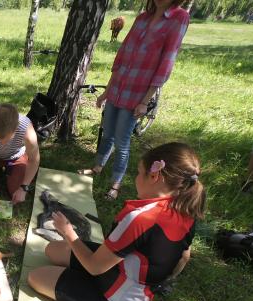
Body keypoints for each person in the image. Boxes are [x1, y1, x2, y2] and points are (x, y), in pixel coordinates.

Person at [29, 143, 205, 301]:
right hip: (118, 272)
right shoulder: (186, 212)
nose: (136, 178)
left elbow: (94, 267)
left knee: (35, 277)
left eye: (139, 172)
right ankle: (77, 278)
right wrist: (156, 282)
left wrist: (68, 231)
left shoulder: (140, 219)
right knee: (52, 249)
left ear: (154, 176)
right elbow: (184, 257)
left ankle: (86, 292)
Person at [78, 0, 189, 201]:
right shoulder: (142, 18)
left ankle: (116, 184)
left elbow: (167, 61)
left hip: (138, 93)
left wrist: (145, 101)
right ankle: (97, 168)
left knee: (122, 141)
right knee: (107, 133)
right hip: (118, 88)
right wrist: (107, 91)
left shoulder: (179, 18)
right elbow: (122, 55)